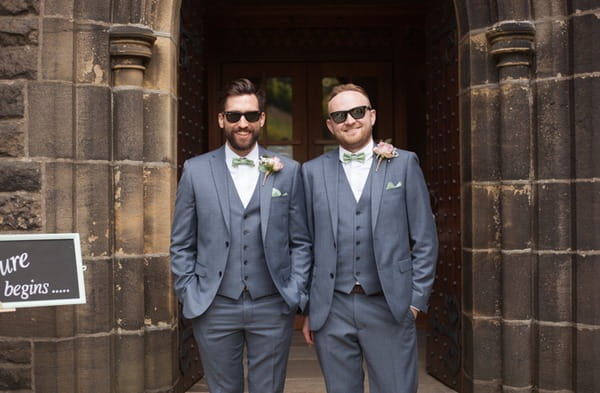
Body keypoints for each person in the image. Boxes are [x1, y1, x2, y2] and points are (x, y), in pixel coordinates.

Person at [170, 78, 311, 393]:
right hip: (214, 305)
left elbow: (301, 241)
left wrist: (296, 291)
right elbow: (181, 243)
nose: (242, 123)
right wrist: (189, 291)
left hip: (273, 305)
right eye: (234, 116)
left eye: (250, 115)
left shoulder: (288, 171)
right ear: (222, 120)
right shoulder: (196, 170)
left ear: (262, 118)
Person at [301, 83, 438, 393]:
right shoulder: (311, 173)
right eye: (339, 115)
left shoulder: (404, 164)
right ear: (330, 124)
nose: (349, 120)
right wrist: (309, 307)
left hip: (389, 303)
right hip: (331, 307)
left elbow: (424, 239)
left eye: (358, 112)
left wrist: (414, 302)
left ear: (372, 116)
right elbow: (303, 243)